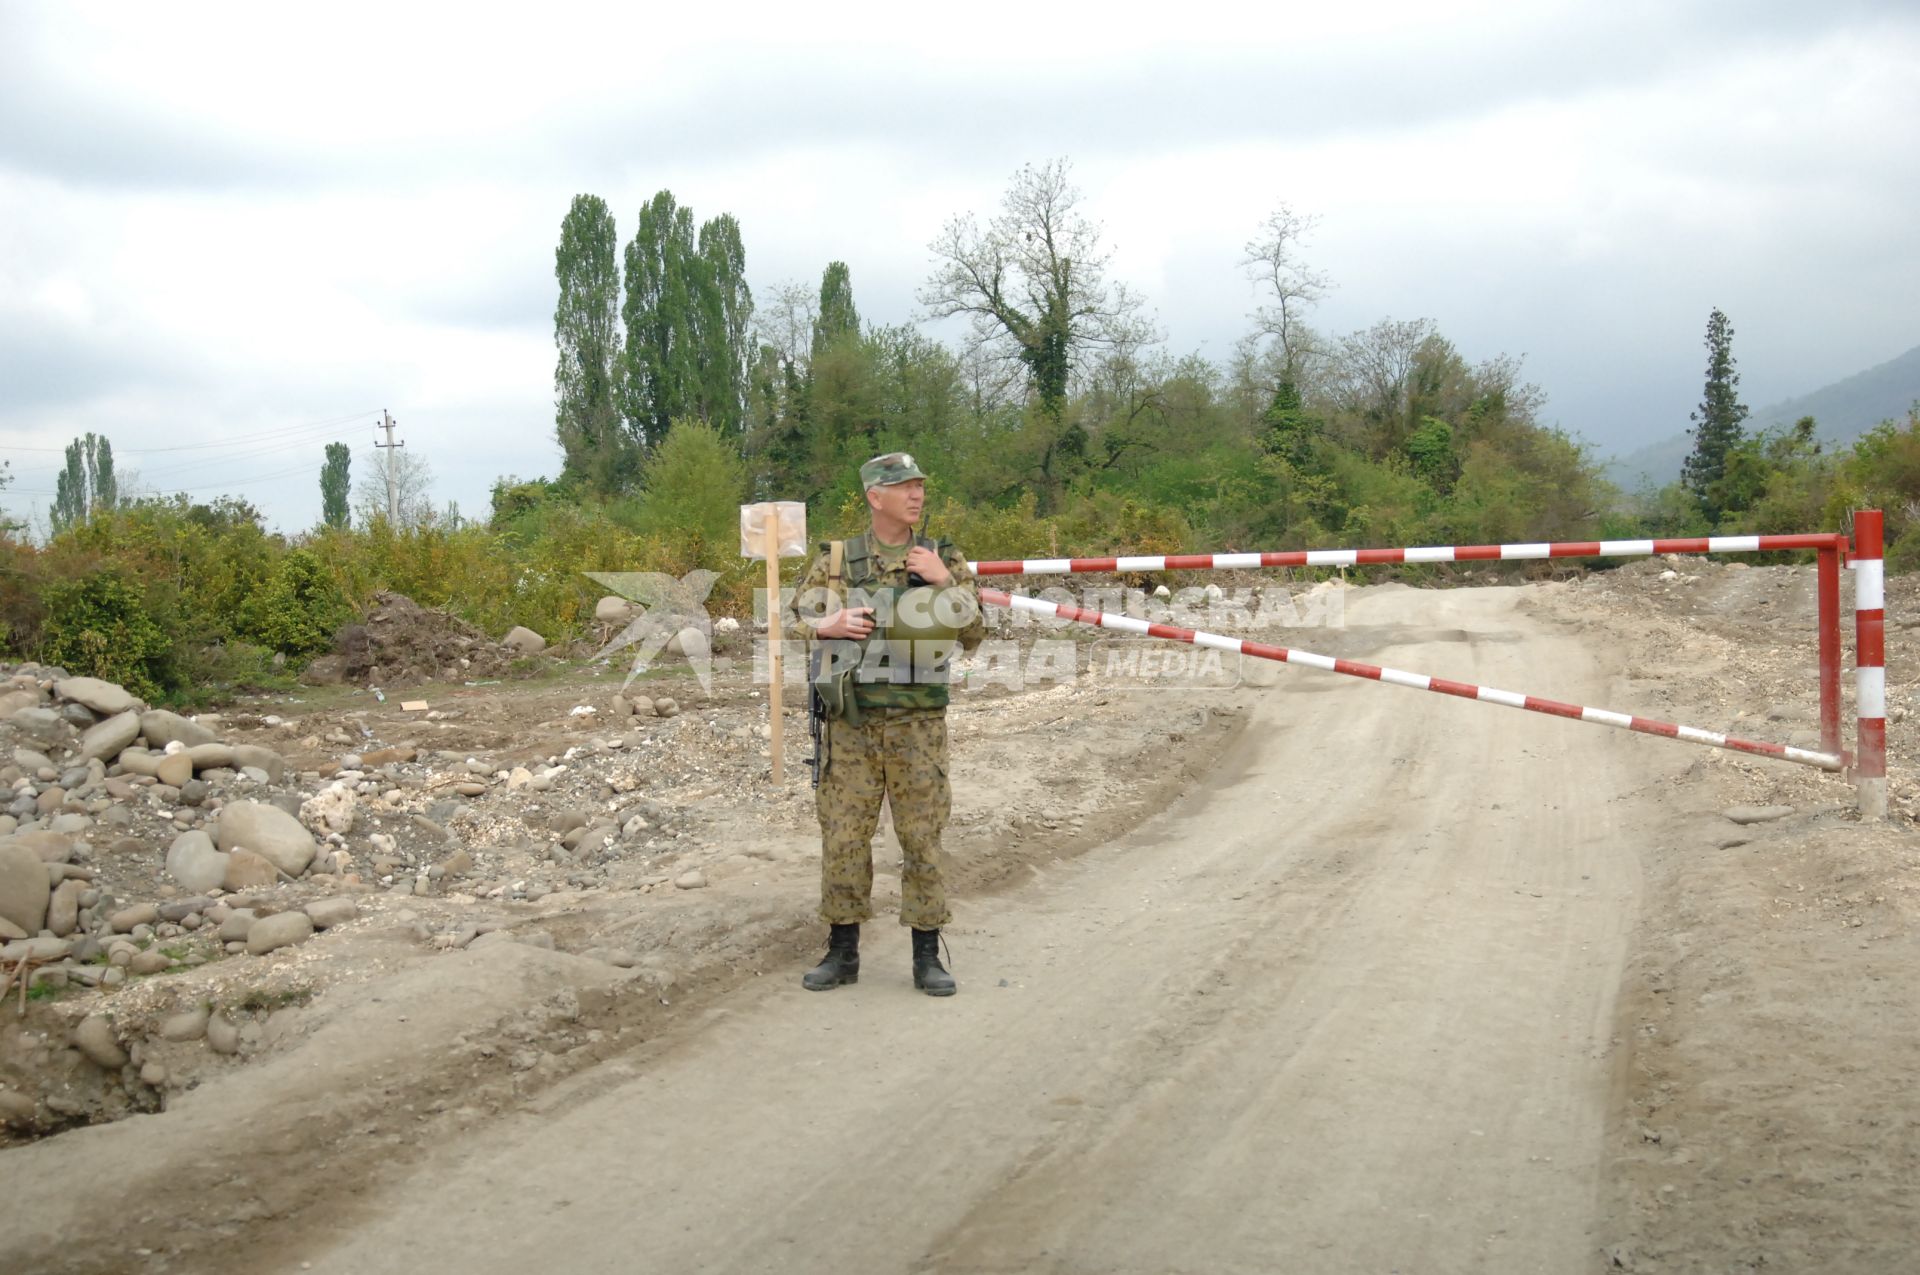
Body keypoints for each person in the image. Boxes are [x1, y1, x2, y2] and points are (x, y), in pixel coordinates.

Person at [784, 452, 987, 996]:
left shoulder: (943, 556)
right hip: (851, 726)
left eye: (920, 485)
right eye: (904, 487)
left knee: (922, 838)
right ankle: (842, 951)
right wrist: (824, 626)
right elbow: (788, 622)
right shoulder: (837, 561)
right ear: (876, 497)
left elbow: (975, 633)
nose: (916, 494)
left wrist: (945, 584)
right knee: (844, 838)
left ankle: (928, 955)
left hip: (918, 728)